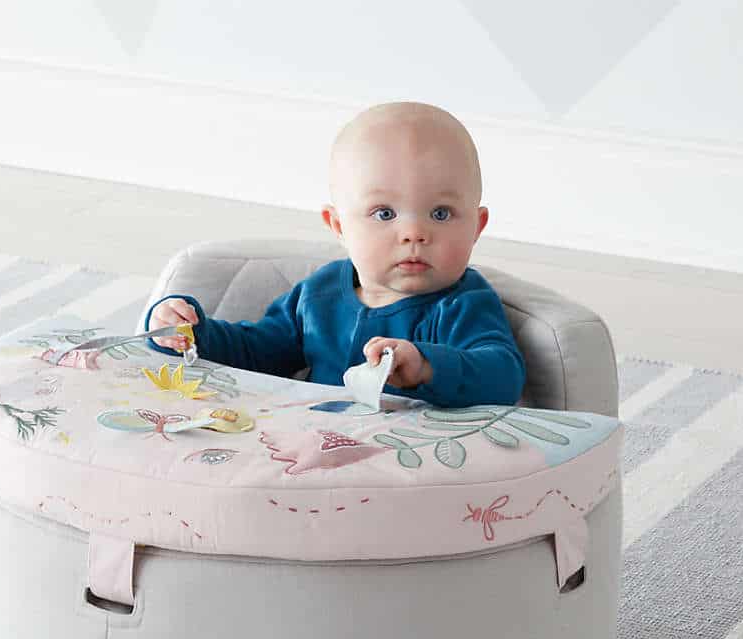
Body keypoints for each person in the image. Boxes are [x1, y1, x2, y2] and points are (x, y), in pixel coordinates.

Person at [144, 101, 526, 408]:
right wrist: (190, 332)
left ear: (476, 227)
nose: (414, 233)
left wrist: (426, 366)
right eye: (384, 214)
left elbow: (503, 376)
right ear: (339, 226)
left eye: (440, 214)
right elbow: (257, 351)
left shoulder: (463, 303)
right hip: (309, 451)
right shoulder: (319, 294)